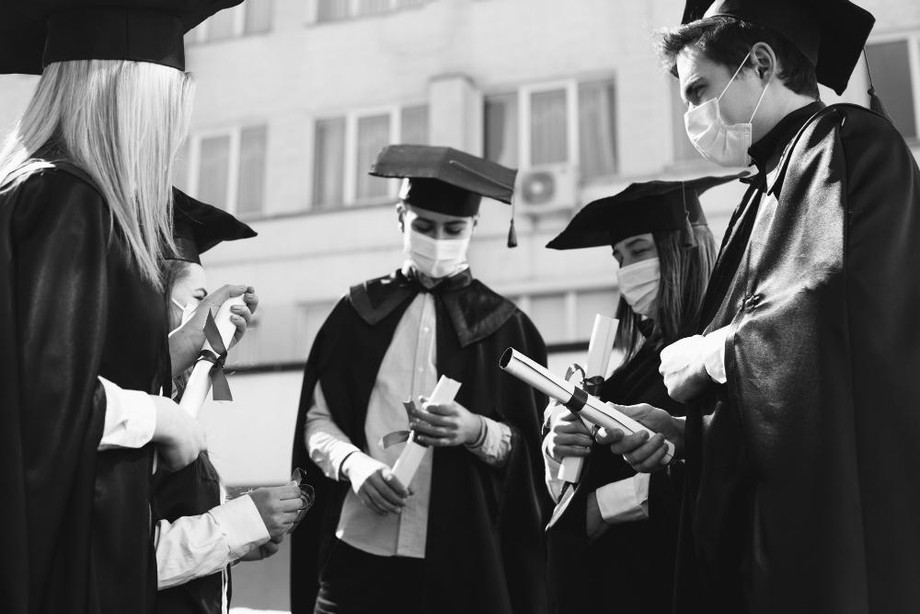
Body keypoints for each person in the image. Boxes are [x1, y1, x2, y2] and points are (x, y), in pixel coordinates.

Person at [609, 1, 920, 612]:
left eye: (699, 90)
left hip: (828, 552)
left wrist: (714, 353)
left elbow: (842, 307)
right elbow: (789, 402)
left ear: (759, 63)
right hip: (754, 553)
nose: (693, 118)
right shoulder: (762, 191)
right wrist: (685, 431)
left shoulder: (848, 144)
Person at [0, 2, 245, 612]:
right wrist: (165, 419)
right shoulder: (69, 200)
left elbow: (51, 360)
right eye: (170, 96)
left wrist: (178, 346)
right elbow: (40, 397)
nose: (174, 124)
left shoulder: (29, 188)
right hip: (76, 557)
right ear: (132, 92)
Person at [290, 145, 550, 614]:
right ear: (400, 217)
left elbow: (532, 451)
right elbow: (316, 421)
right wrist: (354, 465)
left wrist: (476, 430)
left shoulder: (506, 326)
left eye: (453, 229)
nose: (439, 239)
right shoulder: (356, 314)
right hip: (359, 553)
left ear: (474, 227)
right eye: (424, 226)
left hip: (464, 561)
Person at [541, 175, 733, 614]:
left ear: (683, 246)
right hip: (613, 582)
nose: (628, 270)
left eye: (640, 251)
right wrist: (558, 444)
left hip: (679, 583)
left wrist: (605, 506)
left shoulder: (717, 351)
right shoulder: (635, 365)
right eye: (619, 258)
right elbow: (575, 483)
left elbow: (728, 457)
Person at [154, 188, 308, 614]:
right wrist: (242, 523)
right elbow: (126, 557)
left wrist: (242, 544)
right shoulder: (135, 411)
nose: (218, 312)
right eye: (200, 299)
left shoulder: (178, 399)